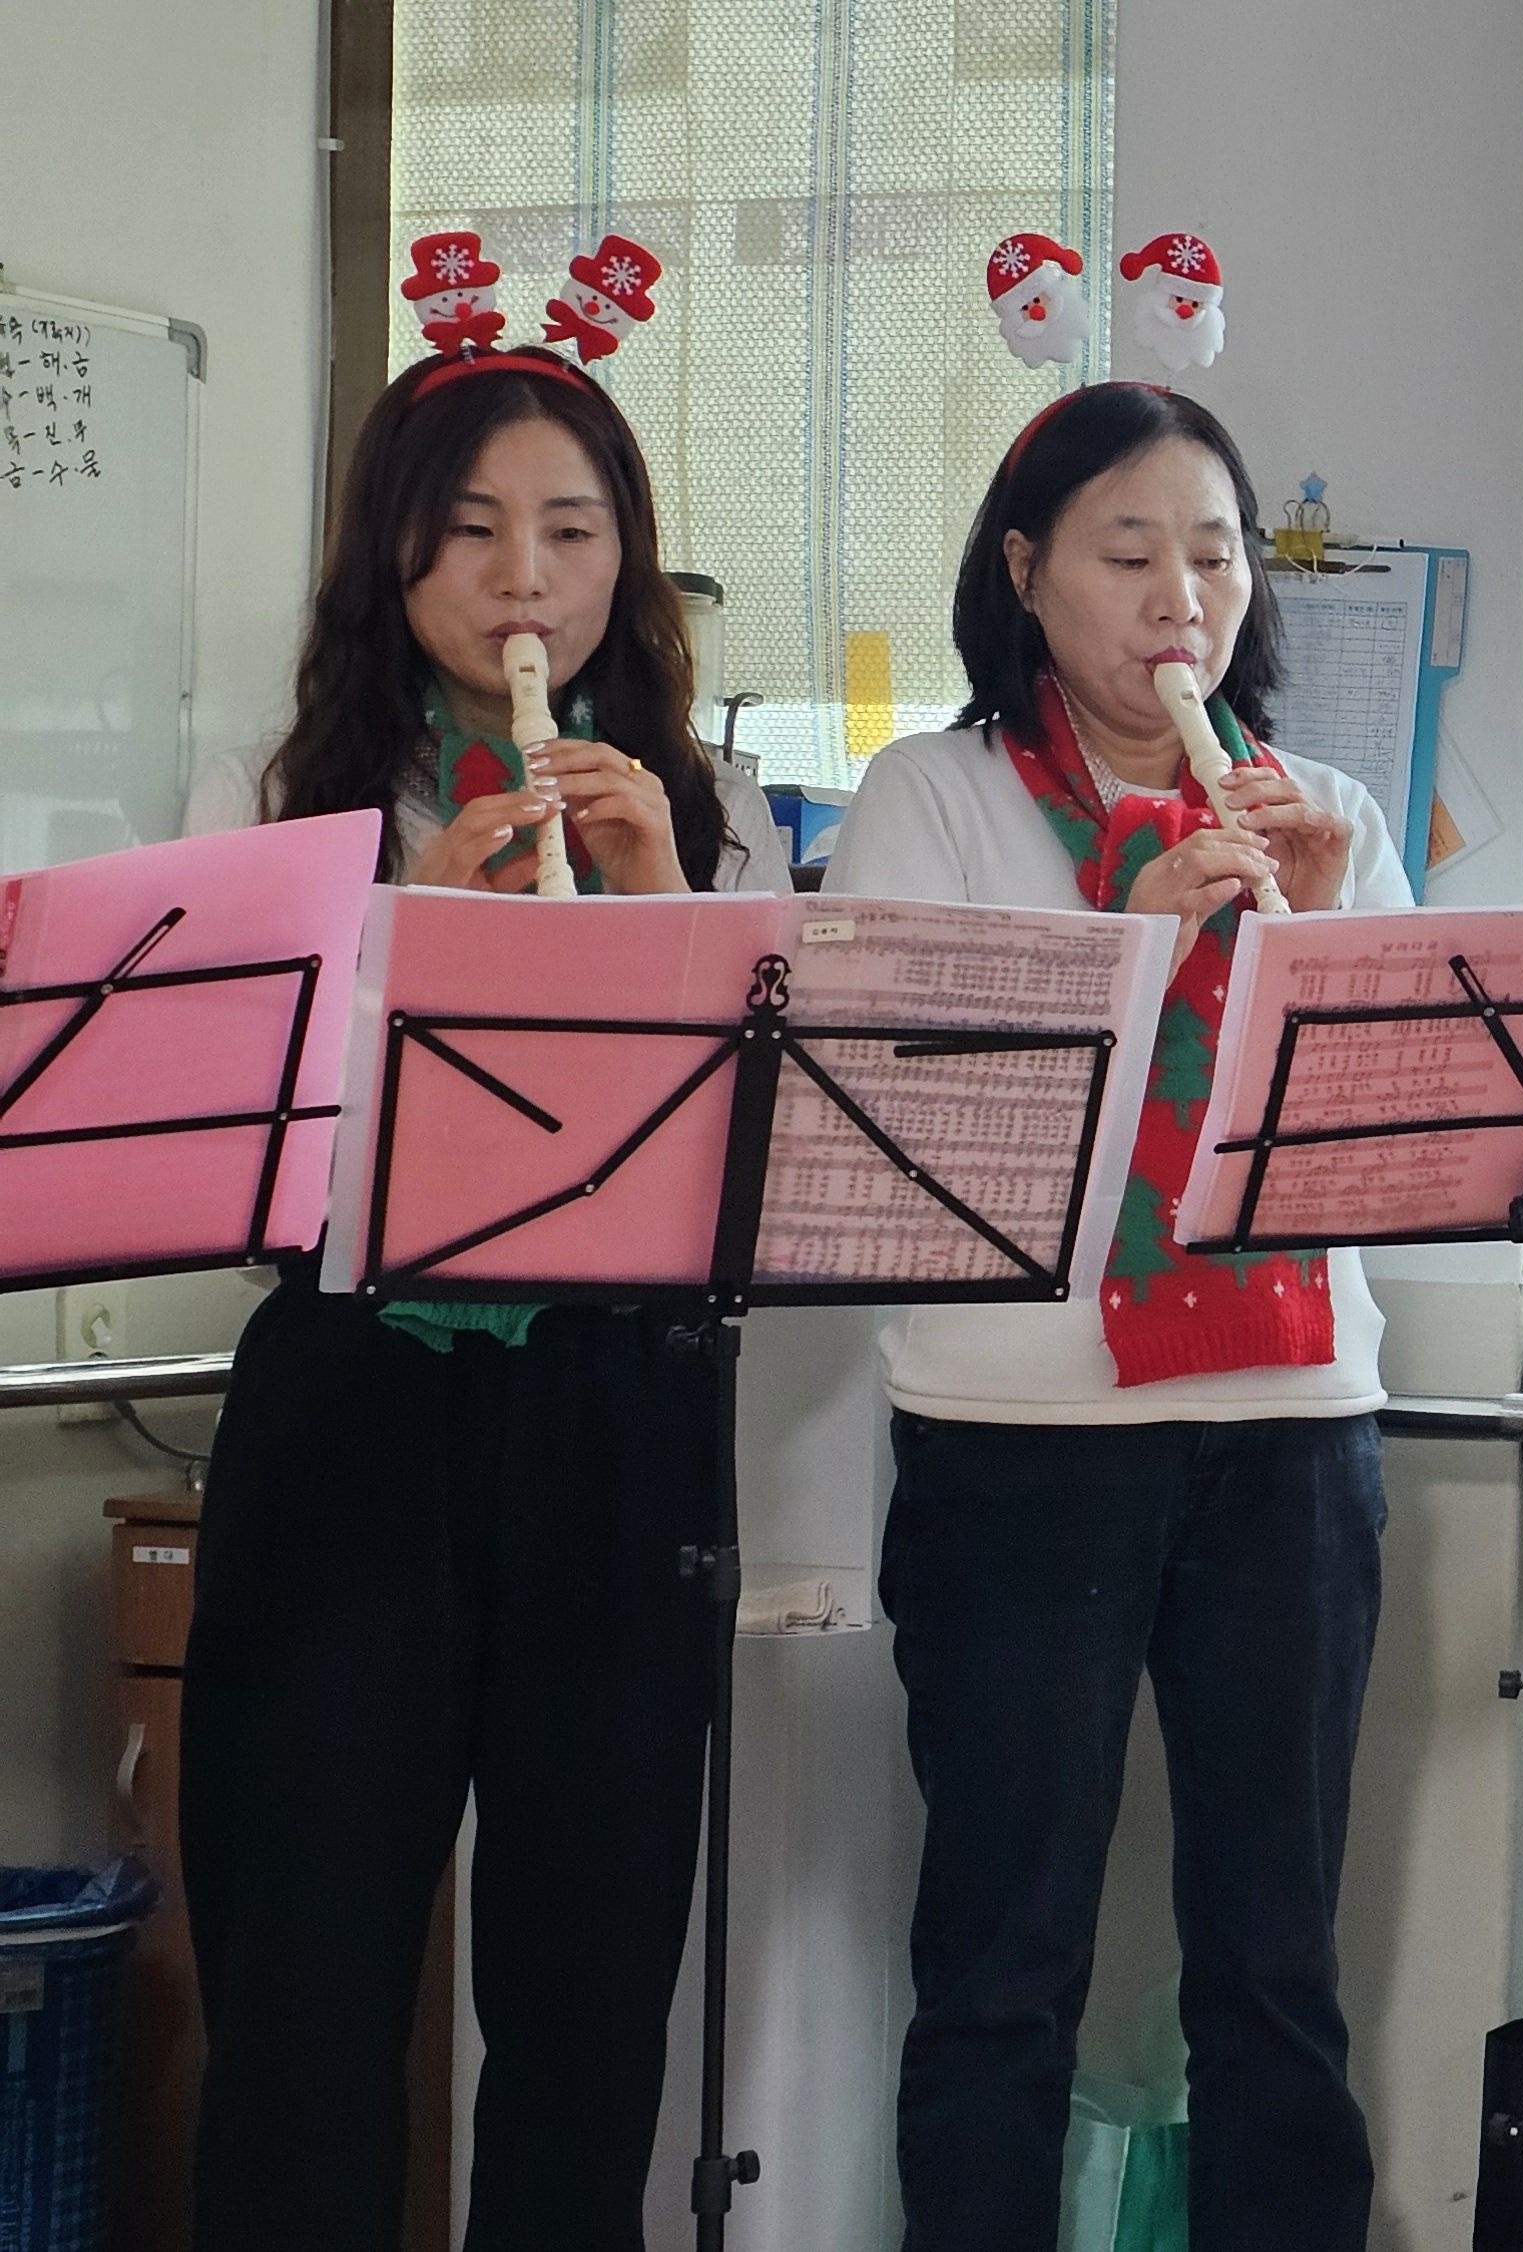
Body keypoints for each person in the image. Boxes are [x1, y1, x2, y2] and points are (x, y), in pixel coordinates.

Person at [178, 336, 789, 2250]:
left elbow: (754, 1176)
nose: (527, 577)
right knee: (303, 1984)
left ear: (627, 557)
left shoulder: (712, 803)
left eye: (574, 530)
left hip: (617, 1416)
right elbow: (239, 1165)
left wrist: (666, 894)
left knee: (588, 2007)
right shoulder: (271, 795)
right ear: (393, 551)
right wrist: (412, 933)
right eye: (471, 530)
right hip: (350, 1404)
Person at [823, 380, 1409, 2251]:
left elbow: (1398, 1144)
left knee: (1276, 1959)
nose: (1183, 597)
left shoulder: (1328, 808)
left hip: (1292, 1424)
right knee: (1004, 1959)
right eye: (1129, 550)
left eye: (1216, 555)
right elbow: (905, 1123)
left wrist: (1315, 938)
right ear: (1025, 570)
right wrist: (1140, 939)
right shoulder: (934, 796)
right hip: (1021, 1433)